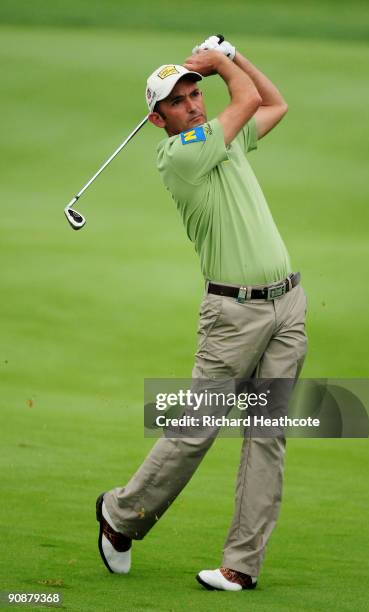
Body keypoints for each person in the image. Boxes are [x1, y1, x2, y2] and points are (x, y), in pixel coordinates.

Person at [96, 35, 307, 592]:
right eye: (178, 100)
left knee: (268, 436)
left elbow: (273, 103)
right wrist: (220, 62)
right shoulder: (183, 154)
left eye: (195, 92)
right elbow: (242, 103)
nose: (192, 103)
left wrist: (234, 60)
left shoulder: (226, 140)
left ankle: (241, 565)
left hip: (287, 304)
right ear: (158, 119)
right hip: (232, 315)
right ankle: (120, 517)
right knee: (196, 430)